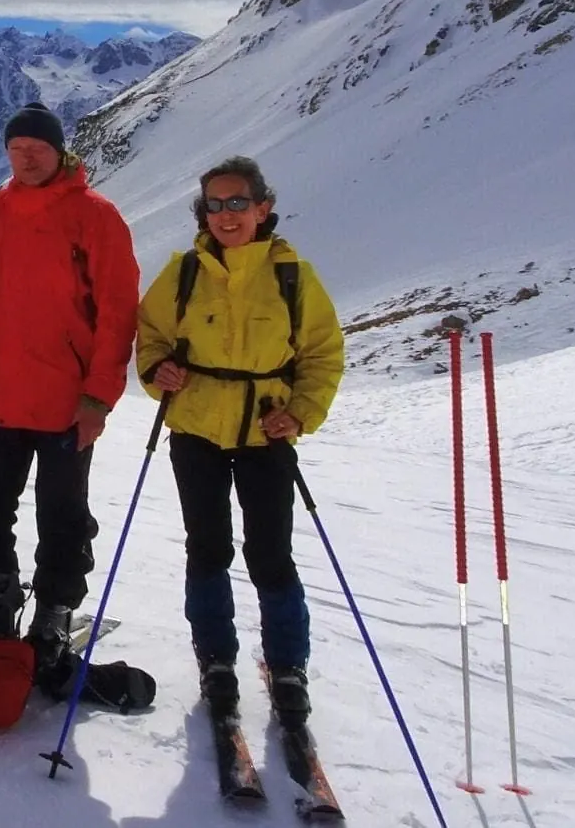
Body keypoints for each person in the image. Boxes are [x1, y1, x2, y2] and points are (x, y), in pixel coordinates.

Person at [134, 156, 344, 728]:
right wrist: (158, 372)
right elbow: (150, 336)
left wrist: (300, 414)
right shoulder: (182, 274)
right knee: (207, 549)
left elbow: (323, 353)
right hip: (196, 428)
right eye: (214, 205)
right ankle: (216, 659)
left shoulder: (291, 275)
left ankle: (287, 666)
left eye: (237, 203)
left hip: (264, 431)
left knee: (270, 554)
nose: (225, 215)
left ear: (262, 209)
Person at [0, 102, 140, 667]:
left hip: (63, 405)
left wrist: (98, 398)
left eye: (37, 150)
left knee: (63, 517)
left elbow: (117, 314)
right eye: (16, 150)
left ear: (59, 152)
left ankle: (54, 611)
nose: (26, 159)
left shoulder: (95, 217)